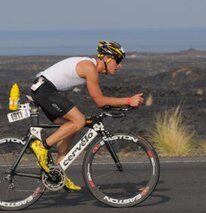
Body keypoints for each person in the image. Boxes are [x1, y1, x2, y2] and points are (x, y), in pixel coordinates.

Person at [30, 40, 144, 191]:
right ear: (107, 58)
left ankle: (57, 173)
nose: (119, 66)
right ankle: (41, 146)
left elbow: (100, 101)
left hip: (45, 89)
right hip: (45, 89)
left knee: (71, 126)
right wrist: (129, 100)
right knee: (79, 120)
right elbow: (99, 101)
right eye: (118, 61)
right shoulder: (89, 67)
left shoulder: (90, 68)